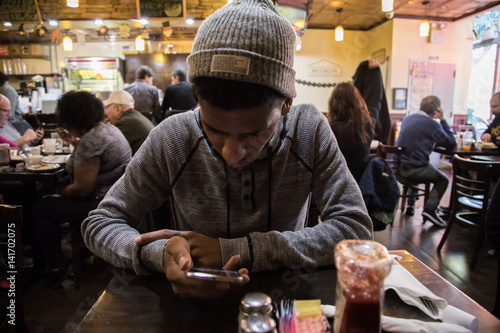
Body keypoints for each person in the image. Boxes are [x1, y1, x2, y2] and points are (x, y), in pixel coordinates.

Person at [82, 0, 372, 300]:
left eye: (255, 132)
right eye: (214, 130)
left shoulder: (307, 130)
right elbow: (99, 224)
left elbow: (355, 229)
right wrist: (158, 253)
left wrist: (237, 251)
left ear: (286, 102)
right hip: (192, 305)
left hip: (286, 303)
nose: (232, 154)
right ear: (197, 100)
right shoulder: (173, 137)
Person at [34, 91, 131, 289]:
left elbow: (81, 190)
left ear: (71, 118)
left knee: (40, 207)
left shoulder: (91, 141)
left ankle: (55, 266)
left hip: (100, 203)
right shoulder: (108, 129)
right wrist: (74, 142)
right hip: (118, 198)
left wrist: (59, 190)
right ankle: (79, 250)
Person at [396, 95, 456, 227]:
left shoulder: (407, 119)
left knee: (417, 162)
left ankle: (411, 206)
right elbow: (451, 143)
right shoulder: (432, 124)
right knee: (443, 179)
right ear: (436, 110)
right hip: (414, 169)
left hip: (397, 167)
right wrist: (443, 120)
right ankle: (430, 209)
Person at [328, 82, 375, 182]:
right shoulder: (367, 126)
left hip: (336, 185)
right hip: (362, 185)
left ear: (333, 103)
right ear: (357, 102)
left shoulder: (330, 129)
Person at [352, 59, 391, 144]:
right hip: (374, 145)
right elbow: (376, 98)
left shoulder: (352, 102)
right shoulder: (374, 108)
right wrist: (376, 73)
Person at [104, 90, 154, 155]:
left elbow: (107, 149)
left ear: (117, 109)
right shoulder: (134, 116)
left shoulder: (124, 123)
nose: (106, 112)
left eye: (108, 108)